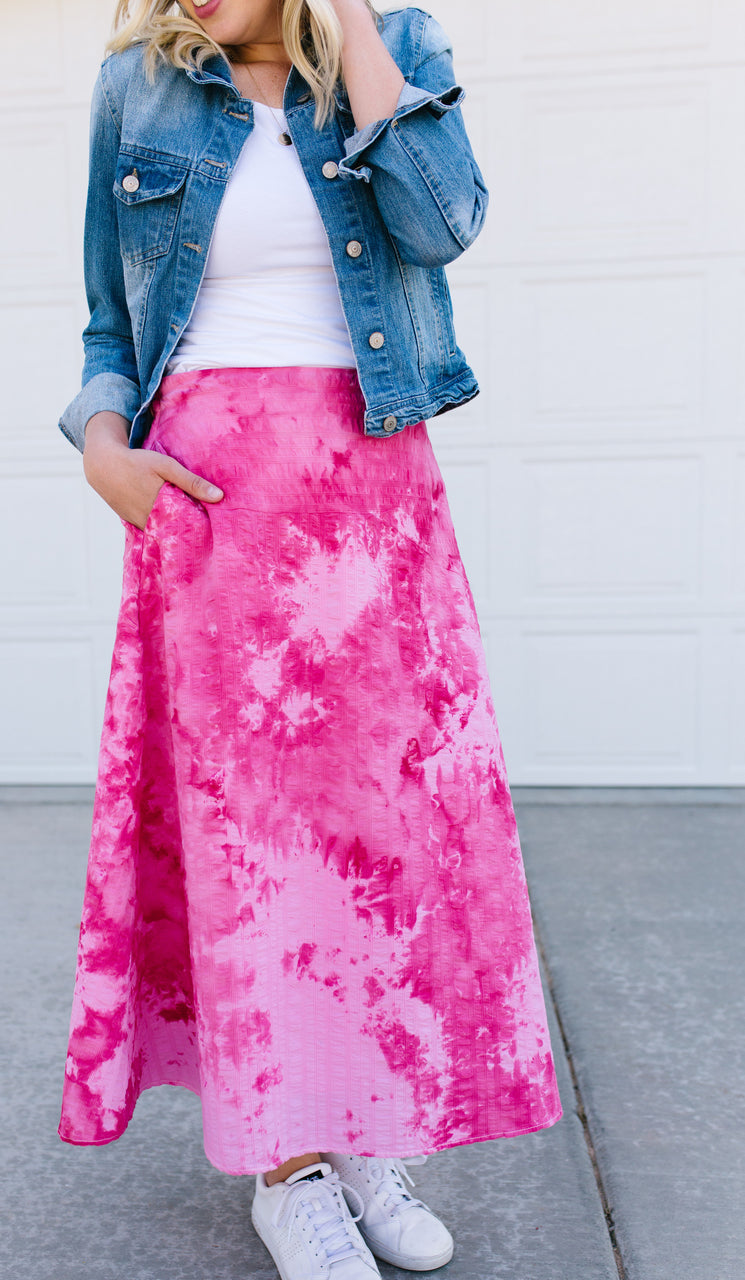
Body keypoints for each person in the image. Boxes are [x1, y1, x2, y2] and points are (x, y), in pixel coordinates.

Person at [57, 2, 563, 1277]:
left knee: (383, 837)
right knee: (256, 853)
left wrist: (349, 21)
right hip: (214, 504)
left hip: (374, 492)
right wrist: (104, 447)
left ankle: (365, 1128)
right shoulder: (140, 87)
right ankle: (289, 1171)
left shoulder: (397, 48)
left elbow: (442, 222)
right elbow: (109, 321)